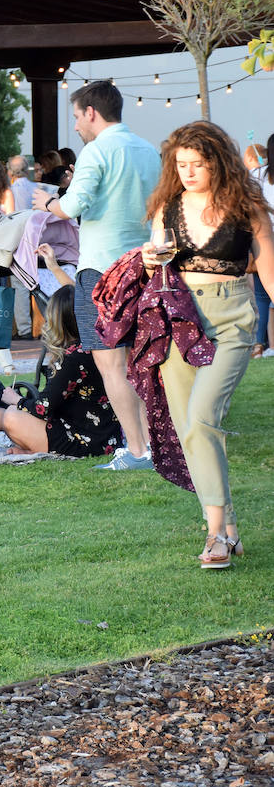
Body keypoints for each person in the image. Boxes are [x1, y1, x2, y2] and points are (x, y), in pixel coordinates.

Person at [141, 121, 274, 569]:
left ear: (219, 161)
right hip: (179, 319)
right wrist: (147, 258)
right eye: (181, 165)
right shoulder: (168, 207)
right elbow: (155, 263)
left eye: (198, 163)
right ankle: (229, 531)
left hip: (233, 319)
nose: (189, 172)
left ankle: (215, 535)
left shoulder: (247, 206)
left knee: (202, 418)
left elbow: (270, 274)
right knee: (190, 429)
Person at [34, 81, 160, 471]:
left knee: (110, 364)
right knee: (143, 363)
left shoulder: (97, 150)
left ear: (91, 112)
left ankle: (138, 451)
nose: (75, 125)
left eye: (76, 116)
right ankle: (156, 446)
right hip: (142, 265)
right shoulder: (148, 150)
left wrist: (50, 201)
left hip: (101, 269)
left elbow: (74, 206)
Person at [0, 286, 121, 458]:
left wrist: (16, 399)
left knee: (11, 416)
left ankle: (36, 450)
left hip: (88, 441)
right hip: (105, 435)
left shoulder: (72, 357)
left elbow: (43, 408)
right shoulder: (93, 347)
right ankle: (32, 450)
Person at [250, 132, 274, 357]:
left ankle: (260, 343)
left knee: (262, 296)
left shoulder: (256, 175)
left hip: (262, 239)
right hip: (266, 238)